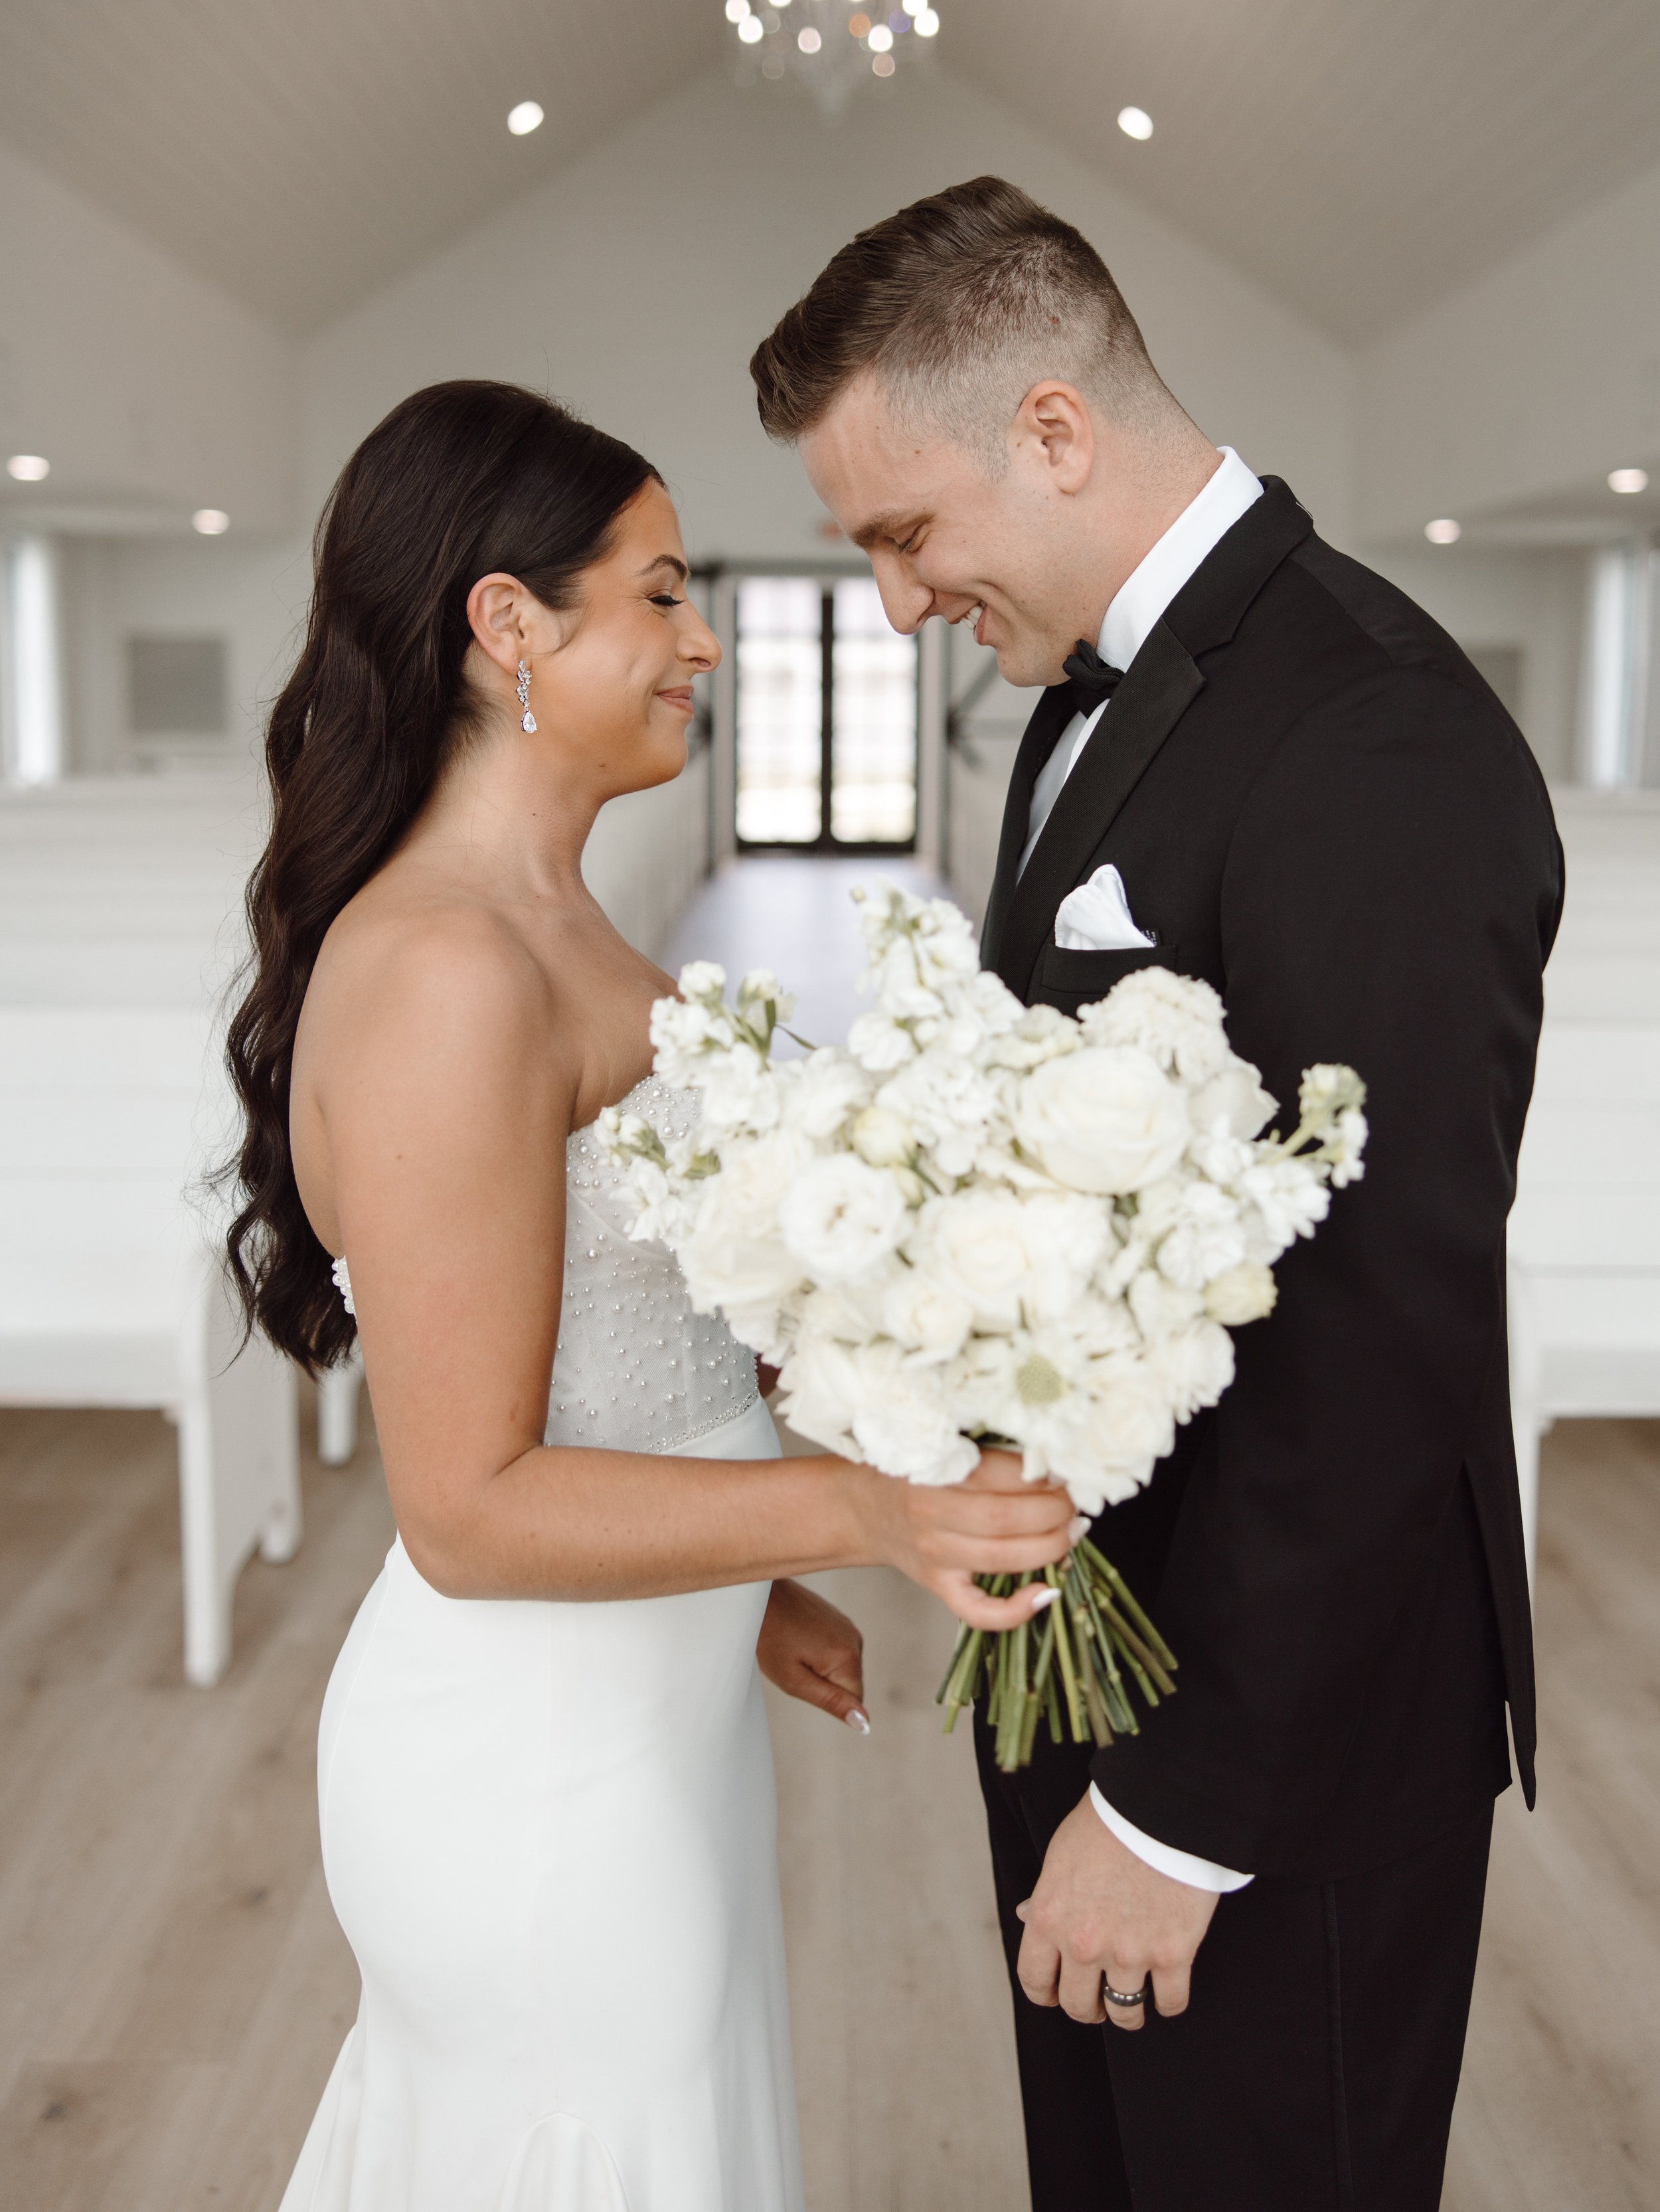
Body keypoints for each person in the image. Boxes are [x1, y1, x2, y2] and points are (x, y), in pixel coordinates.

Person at [750, 178, 1563, 2210]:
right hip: (1091, 1651)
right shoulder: (1075, 703)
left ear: (1049, 427)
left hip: (1275, 1740)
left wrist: (1179, 1812)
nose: (895, 604)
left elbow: (1385, 1320)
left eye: (902, 534)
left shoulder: (1369, 722)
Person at [223, 379, 1074, 2212]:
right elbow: (464, 1504)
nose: (704, 639)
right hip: (533, 1771)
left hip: (643, 1709)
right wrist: (859, 1506)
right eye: (662, 592)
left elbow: (615, 1354)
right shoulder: (452, 965)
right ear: (506, 625)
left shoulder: (561, 922)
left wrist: (745, 1567)